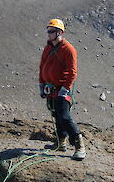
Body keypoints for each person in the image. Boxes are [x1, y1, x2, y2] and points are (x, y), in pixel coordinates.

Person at [38, 18, 86, 160]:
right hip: (51, 89)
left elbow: (72, 72)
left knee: (64, 117)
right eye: (48, 31)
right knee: (56, 115)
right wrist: (42, 85)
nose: (49, 34)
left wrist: (64, 90)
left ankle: (79, 145)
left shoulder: (68, 49)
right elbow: (42, 67)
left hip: (61, 89)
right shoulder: (48, 48)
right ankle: (61, 143)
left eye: (51, 31)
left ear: (59, 32)